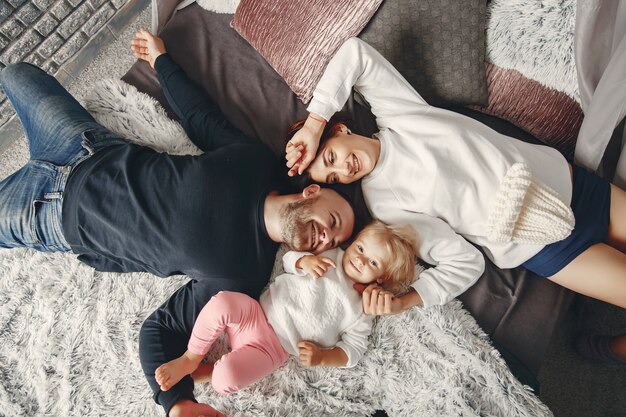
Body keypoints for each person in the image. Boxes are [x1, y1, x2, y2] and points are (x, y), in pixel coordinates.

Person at [0, 30, 355, 417]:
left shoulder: (243, 279)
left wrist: (178, 403)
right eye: (332, 221)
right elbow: (201, 119)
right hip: (87, 146)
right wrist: (160, 60)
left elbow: (160, 331)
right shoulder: (257, 161)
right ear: (311, 192)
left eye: (330, 242)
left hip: (50, 216)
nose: (325, 238)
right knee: (17, 72)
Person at [285, 37, 626, 363]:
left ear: (341, 131)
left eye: (331, 157)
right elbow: (463, 262)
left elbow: (354, 53)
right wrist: (406, 302)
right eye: (333, 178)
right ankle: (613, 350)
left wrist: (313, 127)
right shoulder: (385, 207)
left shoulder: (400, 114)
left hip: (570, 186)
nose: (343, 170)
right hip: (545, 245)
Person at [153, 220, 417, 394]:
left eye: (372, 263)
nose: (360, 259)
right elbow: (287, 259)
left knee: (227, 379)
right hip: (256, 313)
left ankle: (211, 373)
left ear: (381, 278)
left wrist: (324, 357)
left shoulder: (362, 308)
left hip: (273, 349)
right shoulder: (330, 254)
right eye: (360, 248)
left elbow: (354, 351)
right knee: (222, 301)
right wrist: (303, 263)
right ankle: (191, 357)